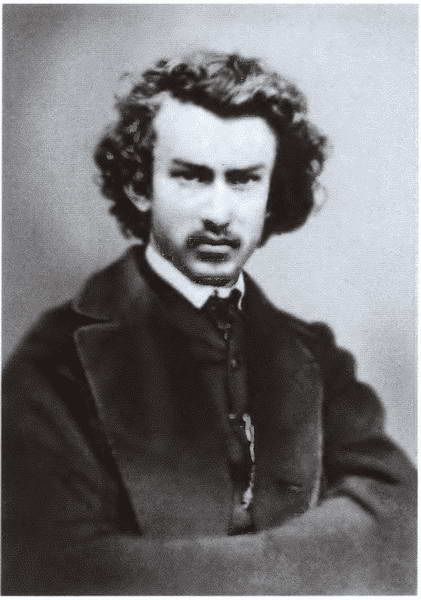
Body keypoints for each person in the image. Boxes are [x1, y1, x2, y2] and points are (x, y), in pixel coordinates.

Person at [2, 50, 416, 595]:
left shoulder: (315, 355)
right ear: (140, 186)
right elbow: (55, 573)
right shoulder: (54, 364)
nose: (219, 214)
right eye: (192, 177)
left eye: (243, 180)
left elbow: (398, 525)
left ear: (272, 196)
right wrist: (304, 565)